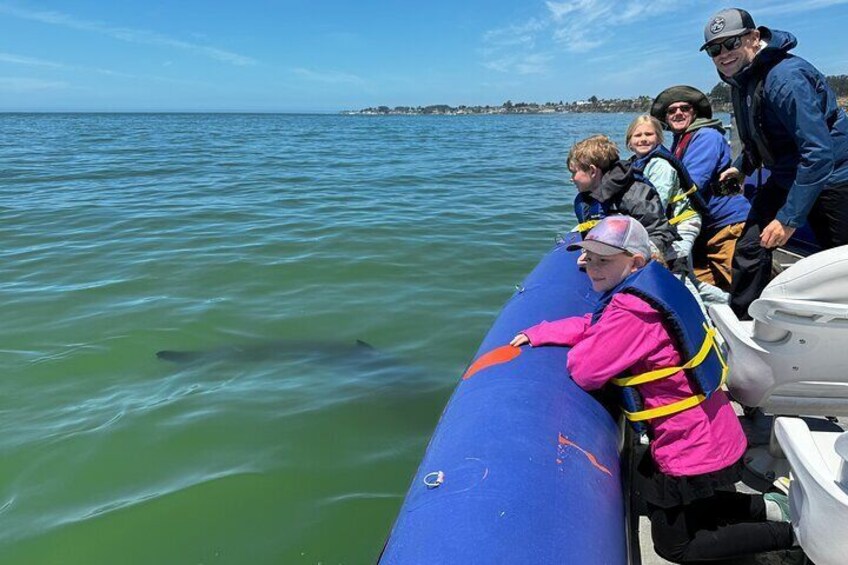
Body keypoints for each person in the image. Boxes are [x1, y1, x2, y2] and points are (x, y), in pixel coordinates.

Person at [510, 215, 795, 562]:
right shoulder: (650, 288)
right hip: (714, 428)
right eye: (589, 258)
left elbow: (586, 370)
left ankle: (793, 537)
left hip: (691, 444)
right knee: (690, 503)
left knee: (675, 545)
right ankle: (770, 506)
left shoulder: (635, 311)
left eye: (605, 260)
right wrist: (543, 332)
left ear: (635, 262)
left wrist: (564, 345)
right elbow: (598, 326)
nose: (592, 267)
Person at [702, 7, 848, 316]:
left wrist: (789, 219)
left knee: (838, 261)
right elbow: (762, 135)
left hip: (832, 175)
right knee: (751, 248)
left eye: (732, 43)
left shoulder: (785, 78)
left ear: (754, 38)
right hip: (787, 173)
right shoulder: (743, 79)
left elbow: (818, 152)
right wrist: (741, 168)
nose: (723, 54)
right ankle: (743, 325)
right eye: (715, 49)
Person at [650, 86, 752, 310]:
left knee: (742, 290)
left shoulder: (705, 136)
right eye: (671, 110)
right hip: (705, 231)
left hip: (727, 226)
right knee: (702, 290)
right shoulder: (680, 141)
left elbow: (690, 183)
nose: (678, 113)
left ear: (694, 112)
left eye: (684, 108)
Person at [568, 134, 678, 262]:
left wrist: (634, 259)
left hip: (645, 259)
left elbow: (660, 233)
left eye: (574, 172)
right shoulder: (585, 200)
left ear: (592, 171)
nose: (571, 178)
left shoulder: (634, 194)